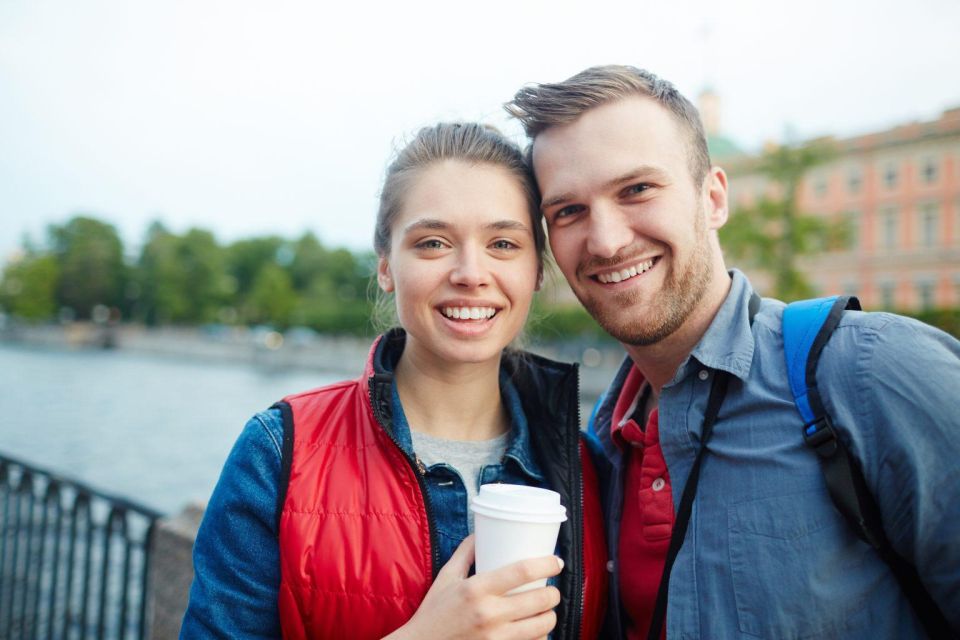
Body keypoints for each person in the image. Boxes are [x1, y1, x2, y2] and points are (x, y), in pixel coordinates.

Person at [505, 65, 960, 639]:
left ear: (714, 197)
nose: (607, 240)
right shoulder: (602, 439)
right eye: (568, 211)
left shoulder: (873, 371)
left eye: (637, 189)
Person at [179, 122, 608, 639]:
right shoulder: (278, 453)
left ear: (537, 269)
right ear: (386, 267)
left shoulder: (589, 472)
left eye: (502, 243)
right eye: (433, 242)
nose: (471, 272)